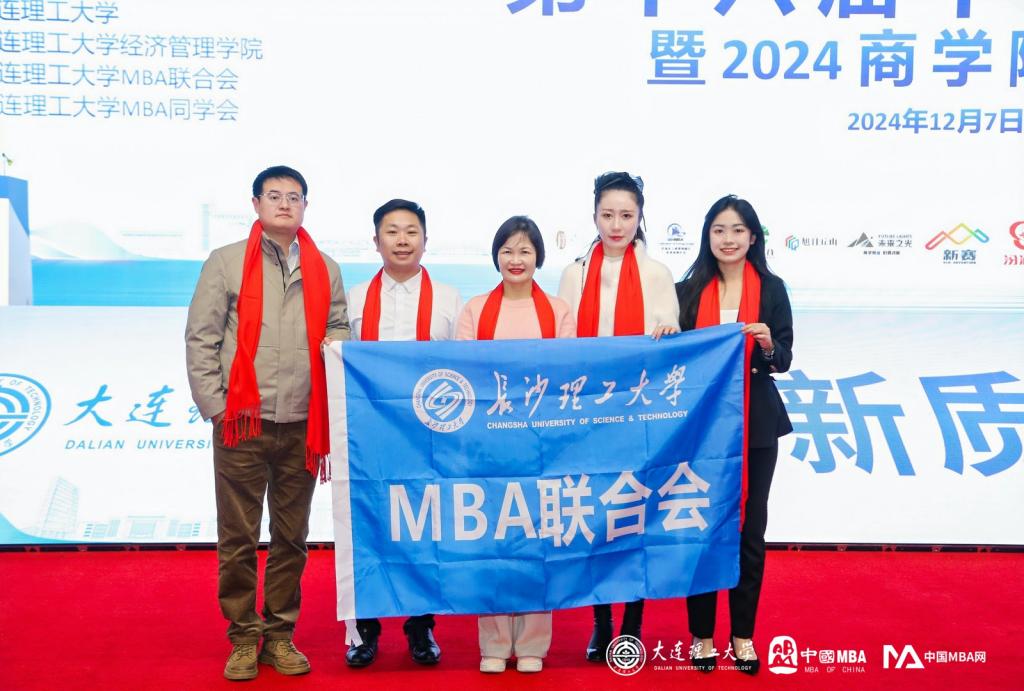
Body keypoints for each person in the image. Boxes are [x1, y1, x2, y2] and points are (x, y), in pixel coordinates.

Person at [185, 165, 350, 681]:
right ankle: (242, 636)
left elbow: (339, 326)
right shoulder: (226, 262)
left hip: (303, 423)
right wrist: (217, 408)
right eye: (274, 195)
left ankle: (279, 635)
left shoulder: (326, 267)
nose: (284, 204)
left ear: (305, 206)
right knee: (237, 537)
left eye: (294, 197)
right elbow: (201, 338)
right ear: (255, 204)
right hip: (243, 423)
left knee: (291, 538)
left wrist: (337, 348)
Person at [557, 171, 680, 662]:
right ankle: (601, 622)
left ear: (639, 217)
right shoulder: (574, 274)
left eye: (626, 215)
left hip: (638, 417)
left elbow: (673, 346)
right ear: (594, 216)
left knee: (634, 517)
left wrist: (670, 332)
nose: (616, 225)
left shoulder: (657, 274)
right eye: (607, 215)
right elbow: (562, 345)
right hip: (586, 417)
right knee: (593, 518)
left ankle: (631, 623)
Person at [674, 194, 793, 676]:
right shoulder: (687, 291)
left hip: (756, 424)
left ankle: (742, 635)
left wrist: (767, 345)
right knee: (700, 529)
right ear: (707, 236)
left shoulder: (772, 288)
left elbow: (784, 357)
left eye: (738, 230)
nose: (728, 239)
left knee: (750, 530)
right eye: (719, 230)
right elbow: (675, 361)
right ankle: (702, 636)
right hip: (699, 427)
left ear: (753, 237)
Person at [342, 199, 462, 667]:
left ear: (425, 240)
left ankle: (420, 626)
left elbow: (462, 369)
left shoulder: (449, 299)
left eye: (411, 231)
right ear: (376, 241)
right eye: (392, 231)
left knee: (425, 528)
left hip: (428, 439)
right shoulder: (353, 299)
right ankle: (365, 631)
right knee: (367, 528)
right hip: (368, 439)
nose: (402, 240)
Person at [457, 216, 576, 674]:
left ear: (538, 257)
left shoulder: (558, 311)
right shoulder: (475, 310)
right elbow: (464, 377)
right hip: (487, 448)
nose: (516, 259)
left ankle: (532, 644)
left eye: (525, 250)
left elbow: (567, 378)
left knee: (536, 545)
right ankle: (493, 642)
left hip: (541, 448)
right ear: (496, 256)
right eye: (507, 250)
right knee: (492, 545)